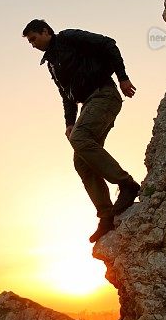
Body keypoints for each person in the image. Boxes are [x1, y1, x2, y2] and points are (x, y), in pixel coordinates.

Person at [23, 18, 140, 242]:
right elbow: (66, 95)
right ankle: (106, 215)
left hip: (104, 93)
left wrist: (123, 78)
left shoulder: (68, 38)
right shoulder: (52, 63)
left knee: (80, 138)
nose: (32, 44)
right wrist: (69, 122)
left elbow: (108, 44)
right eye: (30, 42)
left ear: (45, 31)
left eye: (33, 39)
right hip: (88, 103)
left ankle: (127, 184)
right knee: (81, 162)